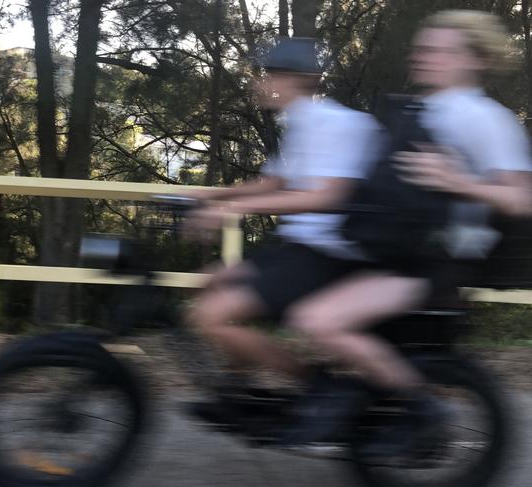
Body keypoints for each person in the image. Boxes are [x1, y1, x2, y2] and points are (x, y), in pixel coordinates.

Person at [276, 9, 532, 444]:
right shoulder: (419, 107)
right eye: (422, 47)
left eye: (439, 50)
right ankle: (340, 400)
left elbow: (521, 198)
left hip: (432, 263)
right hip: (391, 249)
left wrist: (458, 181)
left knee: (320, 320)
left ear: (475, 59)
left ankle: (424, 410)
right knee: (297, 295)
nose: (423, 55)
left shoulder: (484, 116)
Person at [184, 38, 382, 383]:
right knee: (214, 281)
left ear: (300, 80)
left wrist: (231, 208)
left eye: (271, 75)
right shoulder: (300, 125)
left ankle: (312, 384)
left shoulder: (335, 124)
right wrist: (208, 196)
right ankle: (240, 387)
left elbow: (325, 198)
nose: (259, 83)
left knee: (210, 317)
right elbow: (272, 183)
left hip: (329, 253)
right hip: (298, 246)